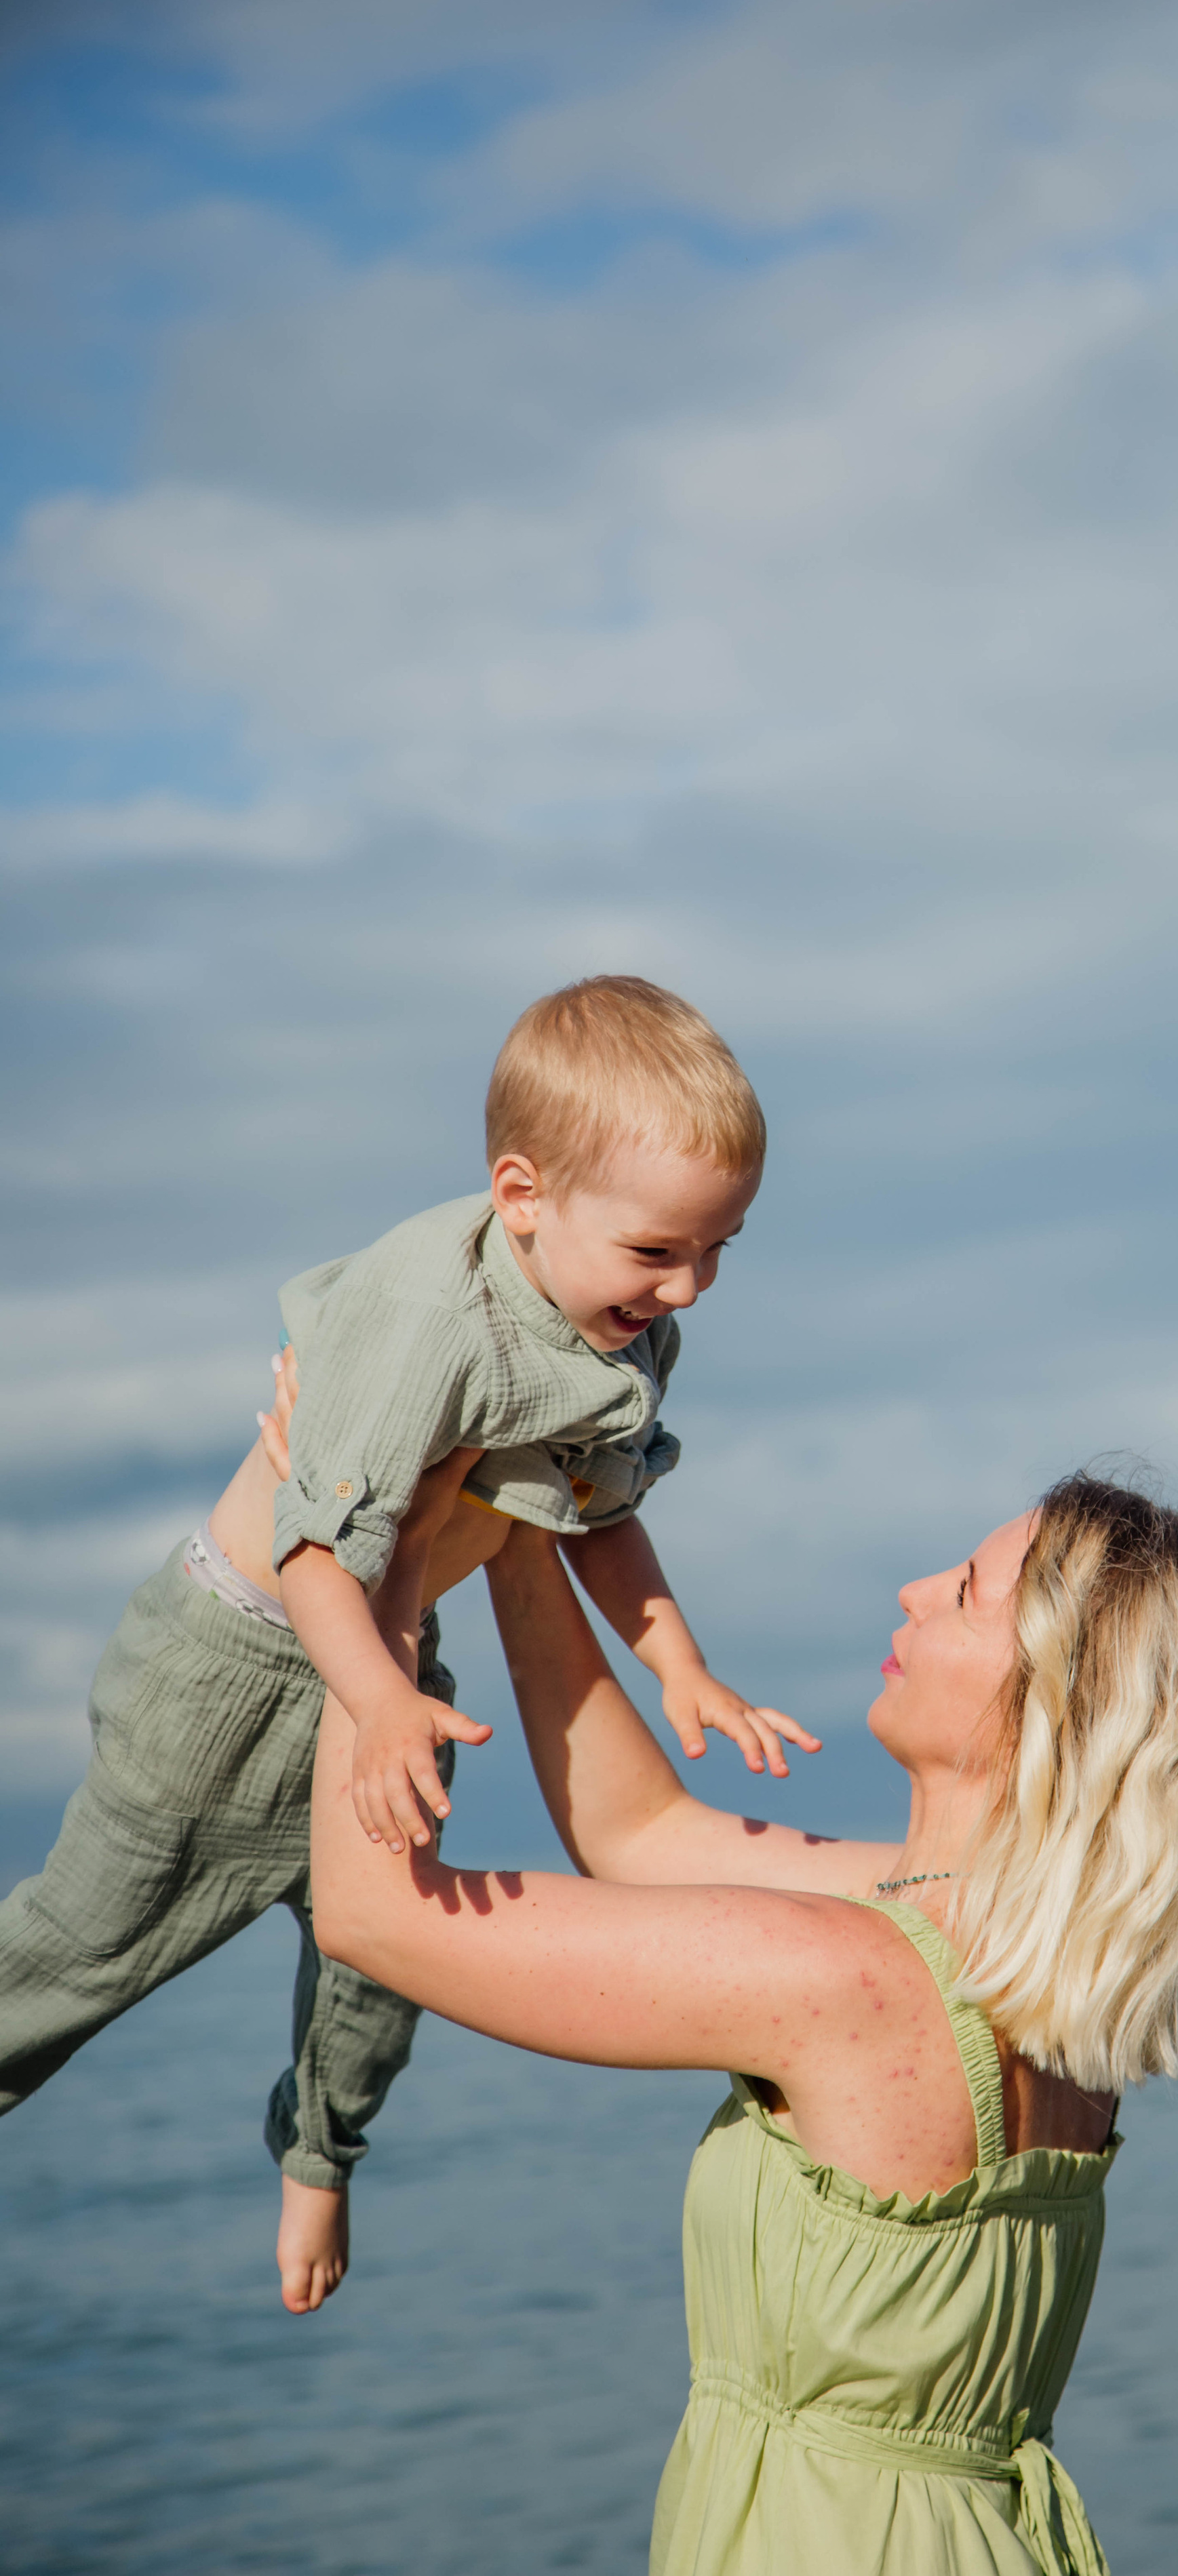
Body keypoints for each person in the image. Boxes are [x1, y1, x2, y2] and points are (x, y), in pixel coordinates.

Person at [303, 1432, 1178, 2575]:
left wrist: (375, 1544)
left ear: (1054, 1703)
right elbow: (643, 1836)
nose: (918, 1594)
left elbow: (371, 1915)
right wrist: (523, 1527)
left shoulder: (853, 1982)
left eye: (967, 1593)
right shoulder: (1034, 1970)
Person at [0, 976, 813, 2317]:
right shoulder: (427, 1320)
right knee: (87, 1948)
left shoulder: (625, 1326)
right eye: (661, 1250)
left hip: (390, 1672)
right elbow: (318, 1552)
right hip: (243, 1664)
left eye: (721, 1249)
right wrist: (375, 1702)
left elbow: (600, 1514)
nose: (690, 1287)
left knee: (393, 1953)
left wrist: (678, 1665)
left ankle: (318, 2153)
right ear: (522, 1192)